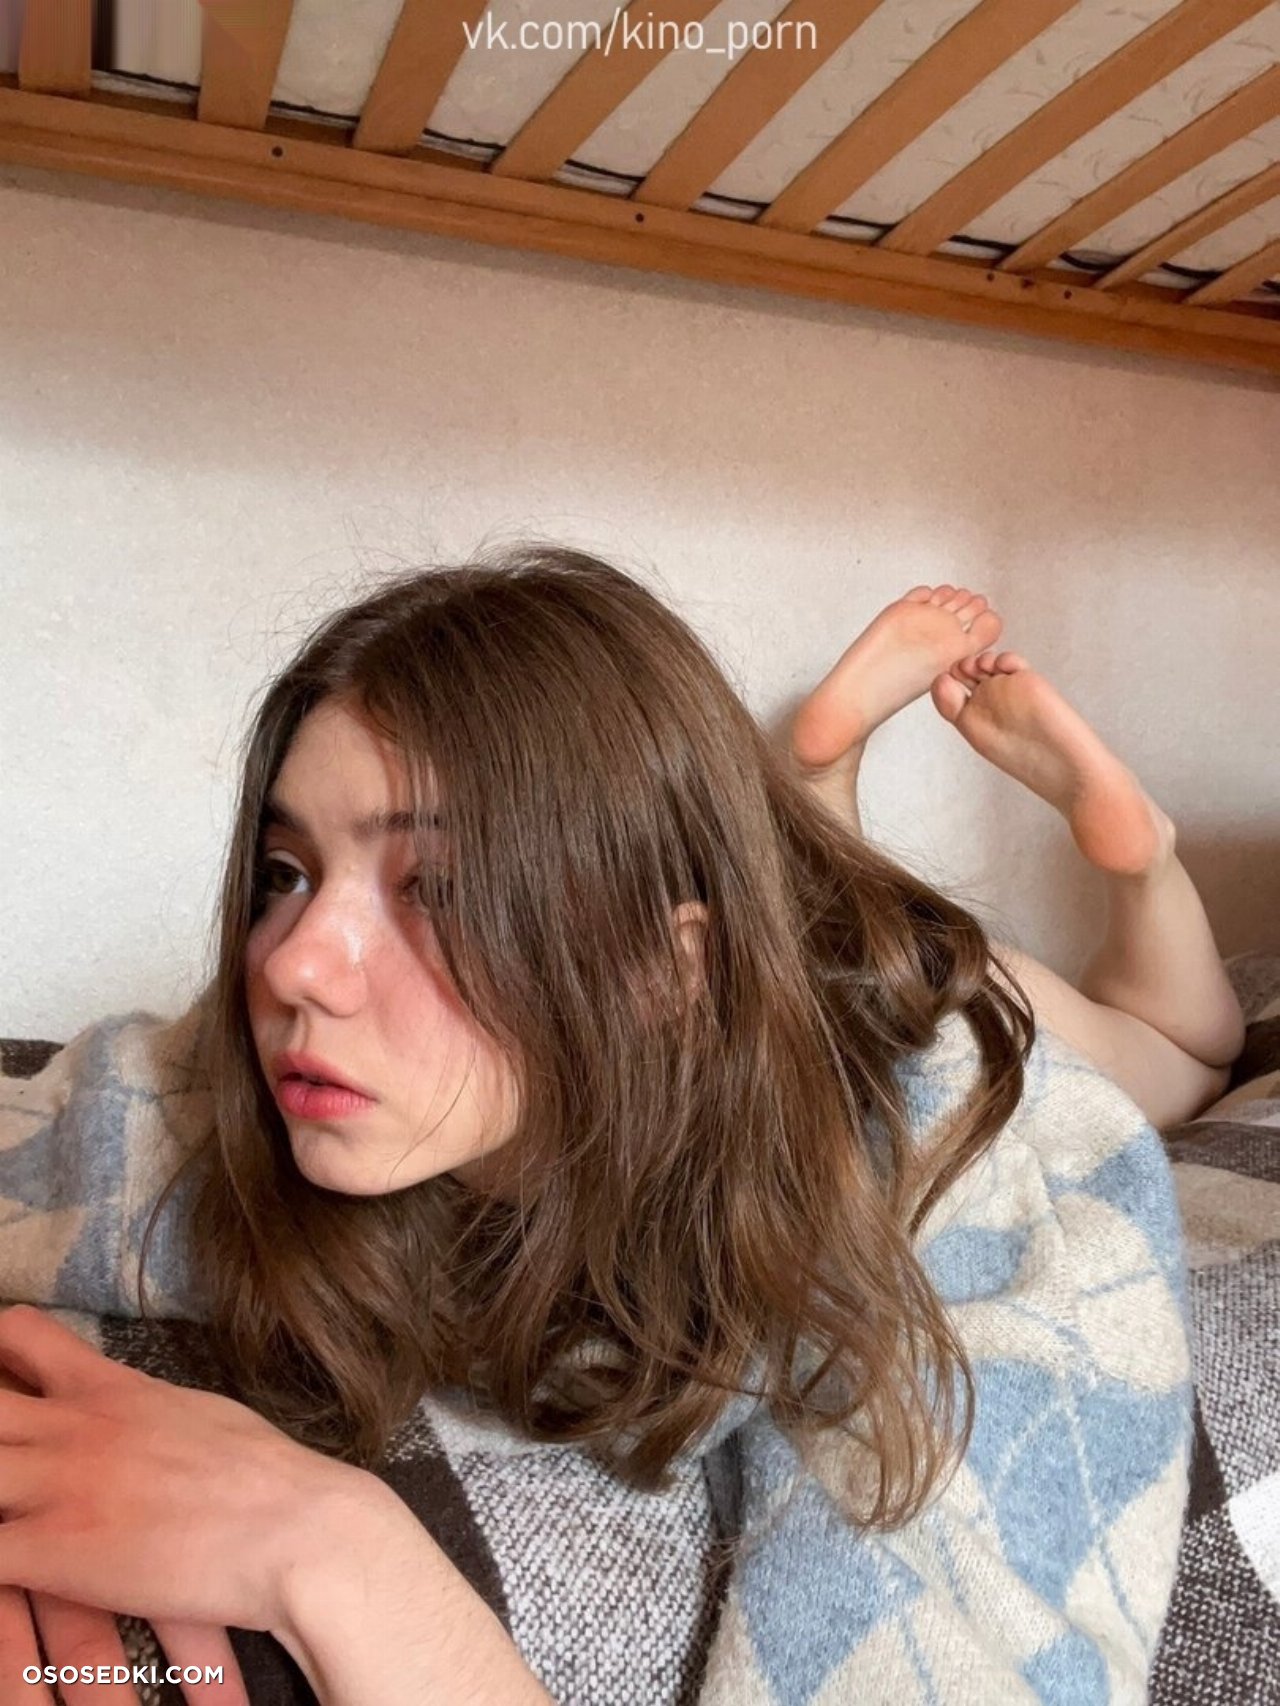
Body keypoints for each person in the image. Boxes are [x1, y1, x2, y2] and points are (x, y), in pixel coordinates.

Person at [0, 546, 1239, 1703]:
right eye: (288, 871)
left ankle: (1136, 856)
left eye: (440, 886)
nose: (294, 964)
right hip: (722, 955)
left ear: (660, 968)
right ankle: (811, 797)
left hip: (886, 1008)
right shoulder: (263, 1065)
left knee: (1183, 1051)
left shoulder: (939, 1166)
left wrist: (339, 1557)